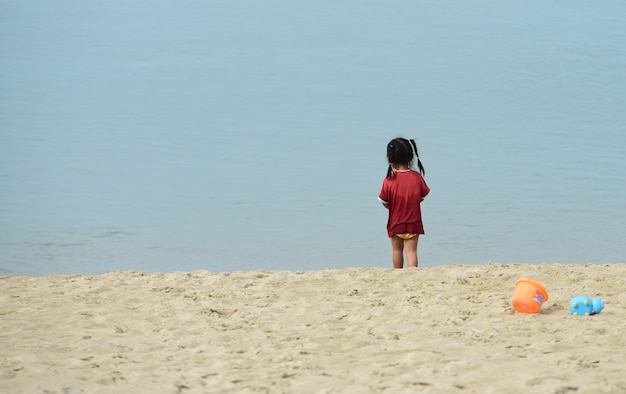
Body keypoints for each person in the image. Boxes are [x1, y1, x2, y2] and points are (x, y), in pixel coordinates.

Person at [378, 138, 430, 268]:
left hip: (396, 222)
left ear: (390, 158)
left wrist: (392, 206)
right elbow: (422, 197)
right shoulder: (417, 177)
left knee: (397, 250)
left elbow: (384, 202)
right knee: (411, 251)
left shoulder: (389, 180)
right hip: (413, 222)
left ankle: (397, 273)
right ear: (411, 156)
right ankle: (412, 273)